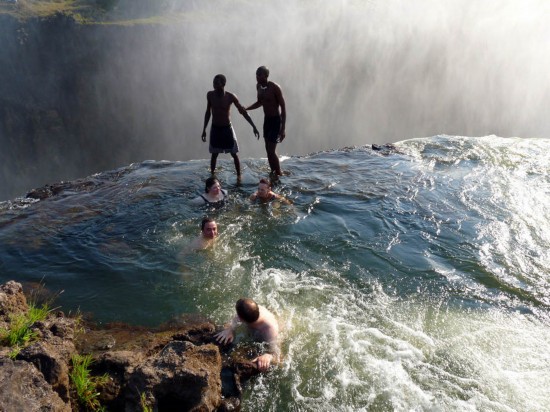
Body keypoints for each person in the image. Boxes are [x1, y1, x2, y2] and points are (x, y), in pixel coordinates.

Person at [201, 74, 260, 176]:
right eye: (213, 83)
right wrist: (204, 129)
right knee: (214, 155)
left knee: (234, 154)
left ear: (223, 84)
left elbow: (243, 112)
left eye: (216, 83)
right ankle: (212, 176)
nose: (214, 85)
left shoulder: (230, 97)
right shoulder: (210, 95)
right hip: (215, 128)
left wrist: (253, 126)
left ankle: (239, 176)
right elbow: (208, 112)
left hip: (227, 128)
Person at [215, 298, 280, 372]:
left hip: (270, 333)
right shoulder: (253, 311)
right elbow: (235, 319)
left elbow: (278, 356)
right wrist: (229, 329)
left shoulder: (269, 330)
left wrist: (268, 356)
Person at [246, 66, 287, 176]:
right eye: (256, 74)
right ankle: (272, 171)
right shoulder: (258, 87)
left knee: (271, 150)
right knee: (267, 150)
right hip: (267, 121)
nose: (257, 77)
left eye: (260, 74)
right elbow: (260, 102)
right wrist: (246, 108)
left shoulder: (274, 87)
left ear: (266, 76)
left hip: (275, 121)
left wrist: (283, 129)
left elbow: (283, 107)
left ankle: (279, 173)